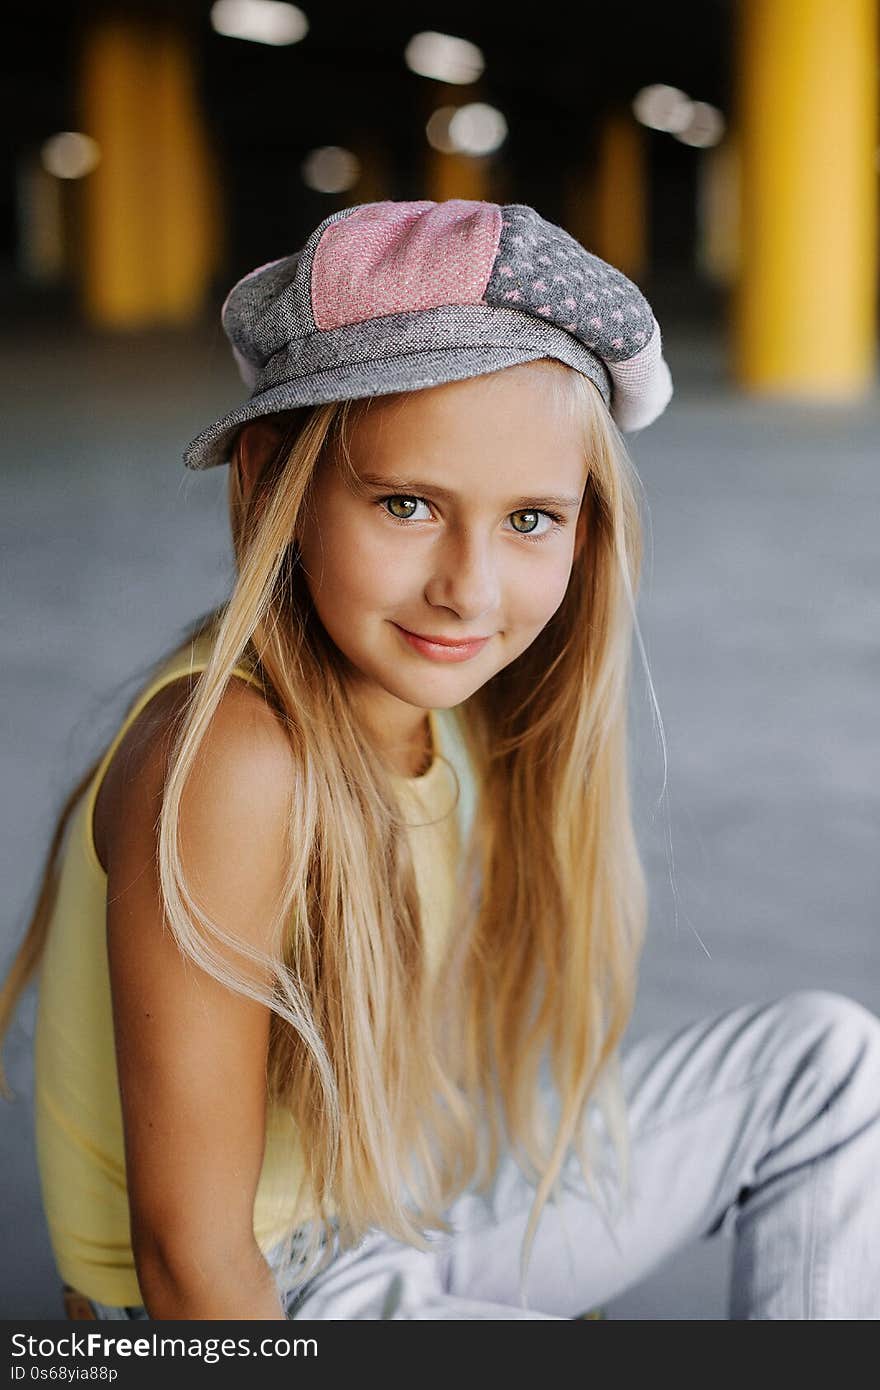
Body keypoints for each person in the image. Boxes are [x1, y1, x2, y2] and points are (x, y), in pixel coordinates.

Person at [2, 198, 880, 1321]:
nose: (468, 588)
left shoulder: (451, 716)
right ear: (270, 479)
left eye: (529, 520)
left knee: (830, 1066)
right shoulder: (229, 762)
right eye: (408, 504)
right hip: (270, 1297)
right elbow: (190, 1271)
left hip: (396, 1214)